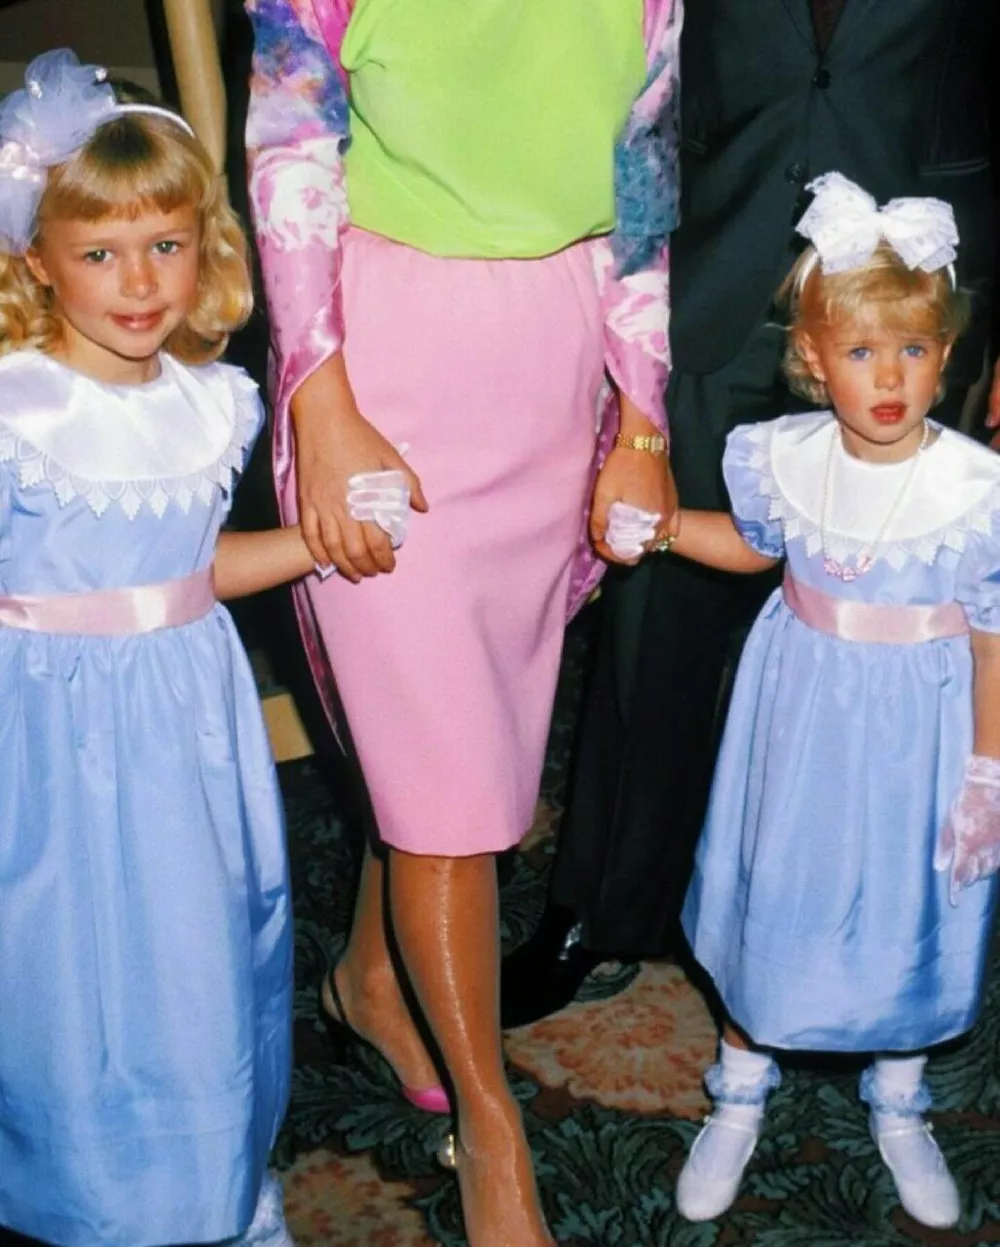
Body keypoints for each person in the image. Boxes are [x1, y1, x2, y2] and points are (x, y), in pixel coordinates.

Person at [243, 1, 682, 1242]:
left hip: (554, 364)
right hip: (382, 367)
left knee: (458, 739)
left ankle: (370, 977)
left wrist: (641, 422)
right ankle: (495, 1134)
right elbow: (289, 150)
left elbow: (642, 190)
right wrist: (320, 401)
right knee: (450, 791)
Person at [502, 0, 998, 1029]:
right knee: (653, 634)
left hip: (915, 316)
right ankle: (602, 907)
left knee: (908, 650)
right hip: (717, 291)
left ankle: (895, 940)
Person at [0, 51, 320, 1247]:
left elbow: (191, 569)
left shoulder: (213, 401)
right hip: (46, 737)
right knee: (64, 974)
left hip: (190, 728)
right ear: (38, 257)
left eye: (165, 245)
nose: (139, 282)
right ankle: (80, 1196)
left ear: (204, 245)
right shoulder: (16, 411)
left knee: (200, 955)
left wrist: (320, 541)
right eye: (99, 252)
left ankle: (221, 1187)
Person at [669, 173, 1000, 1228]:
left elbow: (993, 634)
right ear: (812, 358)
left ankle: (898, 1095)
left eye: (914, 348)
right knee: (781, 884)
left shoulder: (977, 490)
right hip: (801, 714)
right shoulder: (781, 457)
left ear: (946, 353)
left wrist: (987, 769)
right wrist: (663, 527)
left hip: (926, 731)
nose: (889, 376)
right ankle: (739, 1081)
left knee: (910, 896)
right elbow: (751, 547)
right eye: (860, 351)